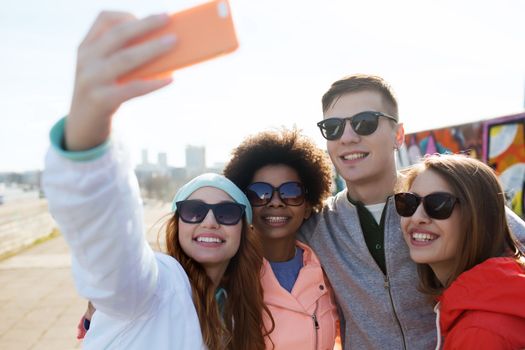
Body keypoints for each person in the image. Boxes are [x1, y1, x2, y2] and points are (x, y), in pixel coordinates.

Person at [42, 11, 271, 349]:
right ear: (177, 223)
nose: (209, 221)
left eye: (226, 213)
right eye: (194, 210)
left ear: (244, 229)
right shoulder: (154, 287)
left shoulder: (238, 310)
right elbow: (107, 244)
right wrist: (89, 130)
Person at [298, 74, 525, 349]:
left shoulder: (442, 202)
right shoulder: (314, 225)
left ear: (398, 135)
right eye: (333, 128)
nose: (347, 137)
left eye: (365, 123)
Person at [223, 128, 340, 349]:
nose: (276, 202)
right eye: (260, 193)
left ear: (307, 207)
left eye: (291, 192)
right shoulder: (228, 274)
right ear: (245, 206)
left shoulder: (328, 271)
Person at [394, 154, 525, 349]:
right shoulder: (501, 289)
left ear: (478, 216)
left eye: (438, 204)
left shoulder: (479, 333)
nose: (417, 217)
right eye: (409, 202)